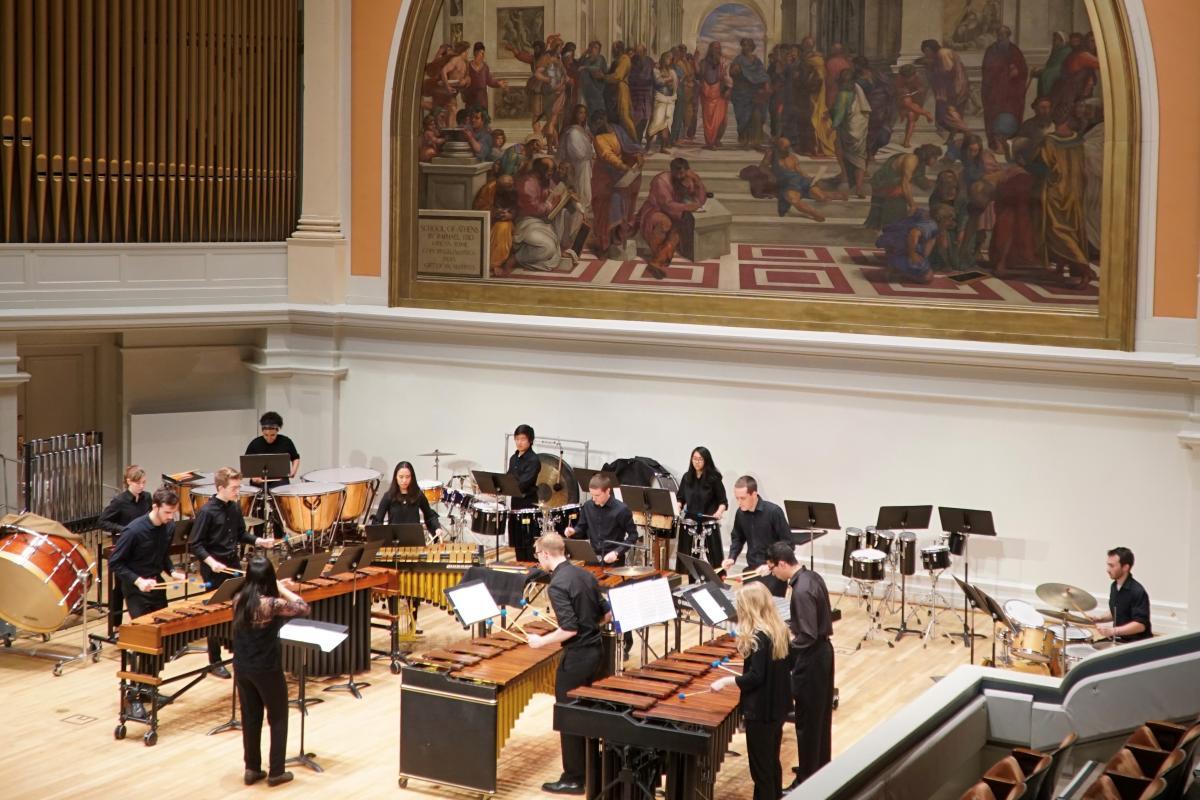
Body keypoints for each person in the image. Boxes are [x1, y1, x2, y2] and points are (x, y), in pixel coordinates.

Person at [529, 532, 607, 796]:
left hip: (576, 658)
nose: (538, 560)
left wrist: (541, 642)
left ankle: (574, 778)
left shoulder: (558, 584)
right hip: (597, 653)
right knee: (587, 713)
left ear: (547, 554)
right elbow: (605, 613)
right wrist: (588, 625)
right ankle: (592, 769)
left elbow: (569, 629)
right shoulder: (586, 575)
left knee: (569, 716)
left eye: (538, 555)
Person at [709, 582, 792, 800]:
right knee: (772, 764)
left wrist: (725, 681)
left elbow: (756, 677)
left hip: (761, 711)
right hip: (777, 708)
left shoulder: (758, 637)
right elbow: (785, 667)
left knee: (761, 772)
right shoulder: (780, 630)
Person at [231, 556, 310, 787]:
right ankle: (276, 771)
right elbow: (303, 608)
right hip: (266, 668)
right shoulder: (272, 604)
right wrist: (283, 589)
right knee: (278, 717)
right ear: (269, 579)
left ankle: (252, 768)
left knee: (250, 718)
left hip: (242, 667)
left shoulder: (237, 600)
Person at [190, 467, 276, 677]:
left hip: (232, 564)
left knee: (240, 608)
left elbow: (240, 534)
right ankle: (215, 660)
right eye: (234, 487)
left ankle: (239, 651)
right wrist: (210, 562)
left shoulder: (234, 508)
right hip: (213, 569)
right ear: (221, 488)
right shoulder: (207, 512)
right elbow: (196, 544)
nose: (238, 491)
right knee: (216, 613)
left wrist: (259, 541)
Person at [108, 485, 186, 719]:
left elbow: (163, 555)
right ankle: (132, 698)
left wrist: (172, 571)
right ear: (155, 507)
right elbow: (116, 563)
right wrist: (138, 580)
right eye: (167, 513)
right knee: (142, 643)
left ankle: (148, 688)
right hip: (136, 591)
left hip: (156, 587)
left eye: (173, 513)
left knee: (160, 641)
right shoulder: (133, 531)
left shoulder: (168, 527)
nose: (171, 518)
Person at [766, 541, 834, 790]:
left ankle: (806, 781)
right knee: (819, 719)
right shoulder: (811, 576)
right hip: (824, 653)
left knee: (807, 721)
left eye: (773, 568)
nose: (773, 573)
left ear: (783, 564)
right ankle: (818, 769)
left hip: (812, 659)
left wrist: (781, 653)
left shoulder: (801, 590)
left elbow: (806, 635)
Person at [1030, 109, 1092, 288]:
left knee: (1057, 230)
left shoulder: (1049, 141)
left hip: (1056, 190)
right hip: (1075, 190)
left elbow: (1040, 164)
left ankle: (1085, 270)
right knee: (1071, 228)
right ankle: (1061, 267)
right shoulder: (1078, 140)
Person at [99, 464, 152, 629]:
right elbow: (102, 521)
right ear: (129, 481)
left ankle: (145, 620)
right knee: (121, 586)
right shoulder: (119, 501)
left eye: (143, 483)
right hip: (125, 547)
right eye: (138, 483)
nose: (141, 486)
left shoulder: (147, 497)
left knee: (144, 582)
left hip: (143, 547)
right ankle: (115, 625)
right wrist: (125, 530)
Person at [634, 157, 706, 277]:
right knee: (665, 223)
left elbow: (701, 200)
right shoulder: (661, 180)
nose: (679, 177)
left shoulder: (687, 178)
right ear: (672, 171)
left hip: (675, 213)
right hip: (654, 211)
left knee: (677, 234)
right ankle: (657, 258)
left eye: (682, 173)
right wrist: (688, 207)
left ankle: (656, 262)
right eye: (677, 174)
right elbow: (666, 205)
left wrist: (696, 180)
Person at [722, 476, 790, 597]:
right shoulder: (741, 513)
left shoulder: (773, 512)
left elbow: (788, 543)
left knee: (769, 611)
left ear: (754, 494)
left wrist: (771, 565)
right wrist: (732, 557)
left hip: (774, 572)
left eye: (742, 498)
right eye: (737, 498)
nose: (739, 502)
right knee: (750, 609)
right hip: (752, 569)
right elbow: (738, 537)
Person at [564, 473, 638, 564]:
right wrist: (573, 531)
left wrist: (617, 552)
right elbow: (581, 527)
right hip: (593, 557)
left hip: (613, 559)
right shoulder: (588, 506)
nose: (594, 499)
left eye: (597, 495)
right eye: (592, 495)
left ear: (607, 491)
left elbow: (633, 535)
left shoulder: (621, 510)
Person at [865, 144, 941, 230]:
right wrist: (912, 204)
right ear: (928, 155)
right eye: (935, 158)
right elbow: (905, 183)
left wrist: (935, 184)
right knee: (899, 198)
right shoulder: (912, 159)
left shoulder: (920, 163)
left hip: (892, 186)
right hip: (885, 186)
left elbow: (920, 180)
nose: (936, 161)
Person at [675, 446, 727, 567]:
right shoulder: (687, 477)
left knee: (715, 563)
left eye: (700, 459)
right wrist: (678, 506)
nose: (697, 462)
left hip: (708, 522)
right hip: (690, 522)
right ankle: (691, 582)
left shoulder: (714, 478)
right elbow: (680, 497)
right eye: (694, 458)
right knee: (689, 563)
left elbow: (723, 502)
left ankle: (716, 583)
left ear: (706, 460)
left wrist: (718, 513)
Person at [1088, 547, 1152, 643]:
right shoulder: (1114, 586)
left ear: (1125, 567)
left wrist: (1113, 631)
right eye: (1108, 565)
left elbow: (1140, 625)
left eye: (1112, 566)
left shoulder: (1137, 591)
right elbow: (1118, 611)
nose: (1108, 570)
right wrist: (1099, 618)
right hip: (1119, 639)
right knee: (1092, 647)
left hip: (1134, 643)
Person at [981, 26, 1027, 152]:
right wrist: (1004, 70)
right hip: (995, 93)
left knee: (1011, 116)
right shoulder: (991, 50)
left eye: (1004, 34)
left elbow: (1023, 69)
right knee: (993, 115)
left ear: (1008, 36)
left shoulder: (1015, 50)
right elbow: (987, 69)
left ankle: (1010, 144)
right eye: (999, 34)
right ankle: (995, 144)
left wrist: (1017, 71)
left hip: (1012, 94)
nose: (1001, 37)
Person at [830, 68, 871, 198]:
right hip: (860, 127)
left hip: (848, 129)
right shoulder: (858, 90)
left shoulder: (843, 94)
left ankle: (845, 180)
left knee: (840, 150)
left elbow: (840, 112)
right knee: (859, 158)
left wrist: (833, 126)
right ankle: (859, 187)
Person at [921, 39, 971, 136]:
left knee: (947, 113)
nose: (926, 54)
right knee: (949, 113)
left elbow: (947, 72)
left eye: (926, 52)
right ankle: (953, 136)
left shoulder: (943, 53)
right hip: (953, 87)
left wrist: (932, 66)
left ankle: (967, 132)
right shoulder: (941, 54)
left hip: (953, 88)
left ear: (929, 49)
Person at [507, 424, 541, 561]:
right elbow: (508, 478)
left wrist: (506, 487)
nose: (519, 442)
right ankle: (520, 568)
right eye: (517, 439)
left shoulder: (534, 460)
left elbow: (524, 483)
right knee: (517, 541)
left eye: (523, 439)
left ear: (530, 440)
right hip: (516, 503)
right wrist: (497, 486)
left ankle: (532, 572)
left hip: (528, 504)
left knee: (528, 541)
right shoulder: (513, 458)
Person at [730, 38, 769, 149]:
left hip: (754, 94)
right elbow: (732, 73)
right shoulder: (738, 59)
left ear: (752, 47)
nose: (745, 47)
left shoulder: (756, 61)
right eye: (743, 45)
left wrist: (765, 85)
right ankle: (744, 140)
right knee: (743, 118)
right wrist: (736, 70)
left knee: (756, 116)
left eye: (747, 45)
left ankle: (756, 141)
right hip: (741, 94)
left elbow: (763, 75)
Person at [245, 411, 300, 488]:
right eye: (266, 435)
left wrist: (293, 471)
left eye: (272, 435)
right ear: (262, 431)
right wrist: (253, 477)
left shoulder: (286, 441)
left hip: (280, 480)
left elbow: (295, 458)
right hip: (259, 480)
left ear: (277, 430)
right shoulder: (255, 443)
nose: (269, 438)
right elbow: (247, 463)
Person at [602, 40, 636, 141]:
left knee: (624, 116)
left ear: (618, 49)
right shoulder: (617, 60)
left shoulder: (624, 59)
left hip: (621, 90)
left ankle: (634, 142)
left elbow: (618, 76)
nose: (612, 50)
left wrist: (603, 77)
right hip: (613, 92)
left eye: (614, 48)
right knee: (614, 117)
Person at [697, 41, 729, 149]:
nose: (717, 50)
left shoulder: (723, 62)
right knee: (709, 120)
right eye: (715, 48)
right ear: (710, 49)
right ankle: (710, 142)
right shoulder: (703, 62)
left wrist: (726, 88)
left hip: (720, 94)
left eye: (718, 48)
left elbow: (726, 78)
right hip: (707, 93)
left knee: (722, 119)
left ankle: (717, 139)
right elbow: (700, 76)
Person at [895, 64, 933, 149]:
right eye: (907, 78)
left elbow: (923, 89)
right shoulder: (900, 82)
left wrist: (920, 90)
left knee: (912, 113)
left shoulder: (918, 77)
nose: (909, 79)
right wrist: (925, 113)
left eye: (911, 77)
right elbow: (907, 103)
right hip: (902, 103)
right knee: (911, 115)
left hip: (915, 101)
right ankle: (907, 141)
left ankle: (906, 140)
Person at [462, 42, 507, 111]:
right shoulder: (468, 66)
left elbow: (489, 80)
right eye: (481, 53)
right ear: (475, 53)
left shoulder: (485, 67)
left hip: (482, 97)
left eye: (483, 53)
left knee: (482, 117)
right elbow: (463, 81)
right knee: (471, 116)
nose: (483, 56)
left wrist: (498, 83)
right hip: (470, 97)